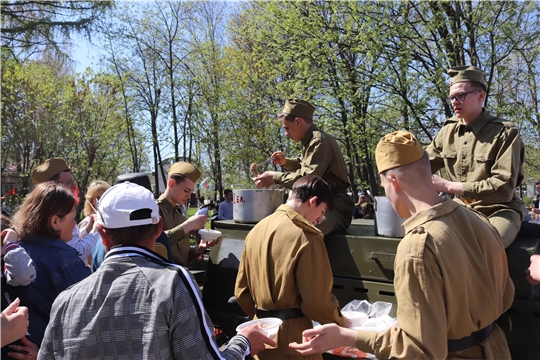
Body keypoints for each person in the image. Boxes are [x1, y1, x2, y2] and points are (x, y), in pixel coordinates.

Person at [290, 131, 514, 359]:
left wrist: (347, 336)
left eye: (383, 185)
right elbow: (506, 295)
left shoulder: (418, 246)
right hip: (496, 349)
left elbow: (418, 349)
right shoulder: (477, 218)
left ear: (393, 182)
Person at [38, 182, 275, 359]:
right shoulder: (173, 283)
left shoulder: (65, 301)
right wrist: (244, 342)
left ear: (101, 233)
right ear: (159, 226)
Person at [235, 175, 351, 360]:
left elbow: (241, 292)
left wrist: (265, 320)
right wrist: (341, 322)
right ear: (313, 201)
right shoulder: (307, 236)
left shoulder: (256, 230)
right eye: (322, 212)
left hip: (260, 337)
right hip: (296, 344)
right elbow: (317, 301)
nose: (320, 219)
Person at [426, 66, 525, 248]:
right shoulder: (447, 132)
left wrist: (450, 186)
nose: (455, 102)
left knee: (486, 246)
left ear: (481, 96)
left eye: (461, 96)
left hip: (498, 210)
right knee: (428, 241)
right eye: (452, 97)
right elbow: (422, 166)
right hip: (460, 209)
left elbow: (503, 188)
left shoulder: (504, 132)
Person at [252, 98, 354, 235]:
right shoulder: (311, 140)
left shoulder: (318, 141)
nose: (286, 134)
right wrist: (285, 162)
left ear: (298, 122)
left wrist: (275, 177)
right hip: (317, 205)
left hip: (334, 207)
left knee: (298, 234)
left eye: (287, 128)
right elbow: (303, 164)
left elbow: (307, 179)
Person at [11, 183, 90, 346]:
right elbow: (88, 324)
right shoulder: (67, 263)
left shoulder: (14, 252)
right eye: (73, 218)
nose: (75, 224)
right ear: (55, 222)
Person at [30, 158, 100, 264]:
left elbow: (72, 242)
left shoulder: (47, 211)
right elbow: (77, 253)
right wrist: (97, 229)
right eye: (68, 182)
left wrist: (87, 230)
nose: (74, 186)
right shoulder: (57, 213)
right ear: (52, 186)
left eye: (72, 181)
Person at [156, 162, 216, 266]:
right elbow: (154, 243)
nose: (188, 196)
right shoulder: (155, 210)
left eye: (190, 192)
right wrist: (187, 226)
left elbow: (182, 258)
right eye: (186, 190)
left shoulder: (180, 214)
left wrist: (199, 248)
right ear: (171, 184)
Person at [79, 180, 111, 269]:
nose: (101, 200)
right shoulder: (87, 222)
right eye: (97, 197)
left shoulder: (113, 220)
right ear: (91, 201)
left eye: (105, 195)